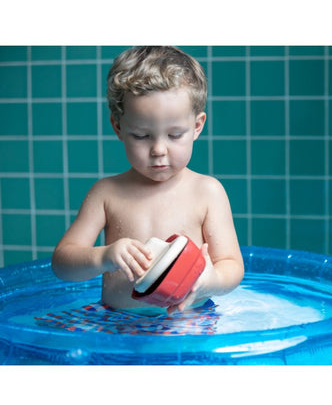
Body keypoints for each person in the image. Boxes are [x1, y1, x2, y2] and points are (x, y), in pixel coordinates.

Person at [52, 46, 244, 314]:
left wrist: (209, 281)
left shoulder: (207, 192)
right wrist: (103, 256)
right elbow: (62, 264)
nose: (158, 150)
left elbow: (231, 264)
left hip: (187, 322)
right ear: (118, 127)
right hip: (118, 325)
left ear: (197, 126)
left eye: (175, 135)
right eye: (142, 136)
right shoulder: (106, 194)